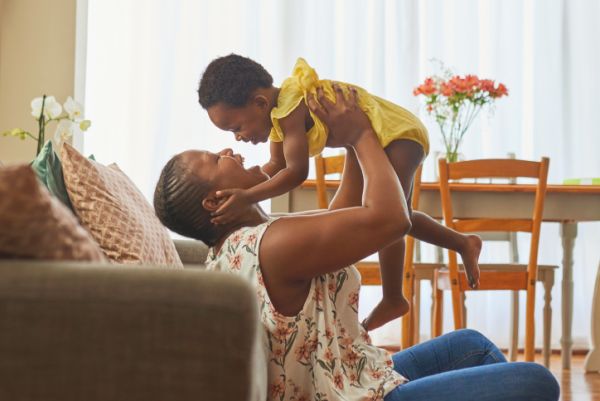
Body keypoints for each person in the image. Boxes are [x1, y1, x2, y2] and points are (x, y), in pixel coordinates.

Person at [154, 88, 559, 401]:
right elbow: (392, 220)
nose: (228, 149)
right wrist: (365, 134)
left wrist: (345, 138)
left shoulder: (255, 238)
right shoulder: (272, 245)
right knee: (536, 381)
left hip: (353, 375)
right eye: (214, 157)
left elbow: (345, 211)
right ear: (215, 201)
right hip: (345, 396)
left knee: (472, 346)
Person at [197, 54, 482, 330]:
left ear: (259, 103)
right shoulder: (276, 116)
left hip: (397, 133)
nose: (237, 138)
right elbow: (275, 165)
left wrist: (248, 196)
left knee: (395, 218)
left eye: (236, 127)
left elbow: (295, 173)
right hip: (364, 137)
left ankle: (394, 297)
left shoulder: (289, 110)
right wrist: (243, 187)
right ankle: (462, 243)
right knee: (363, 214)